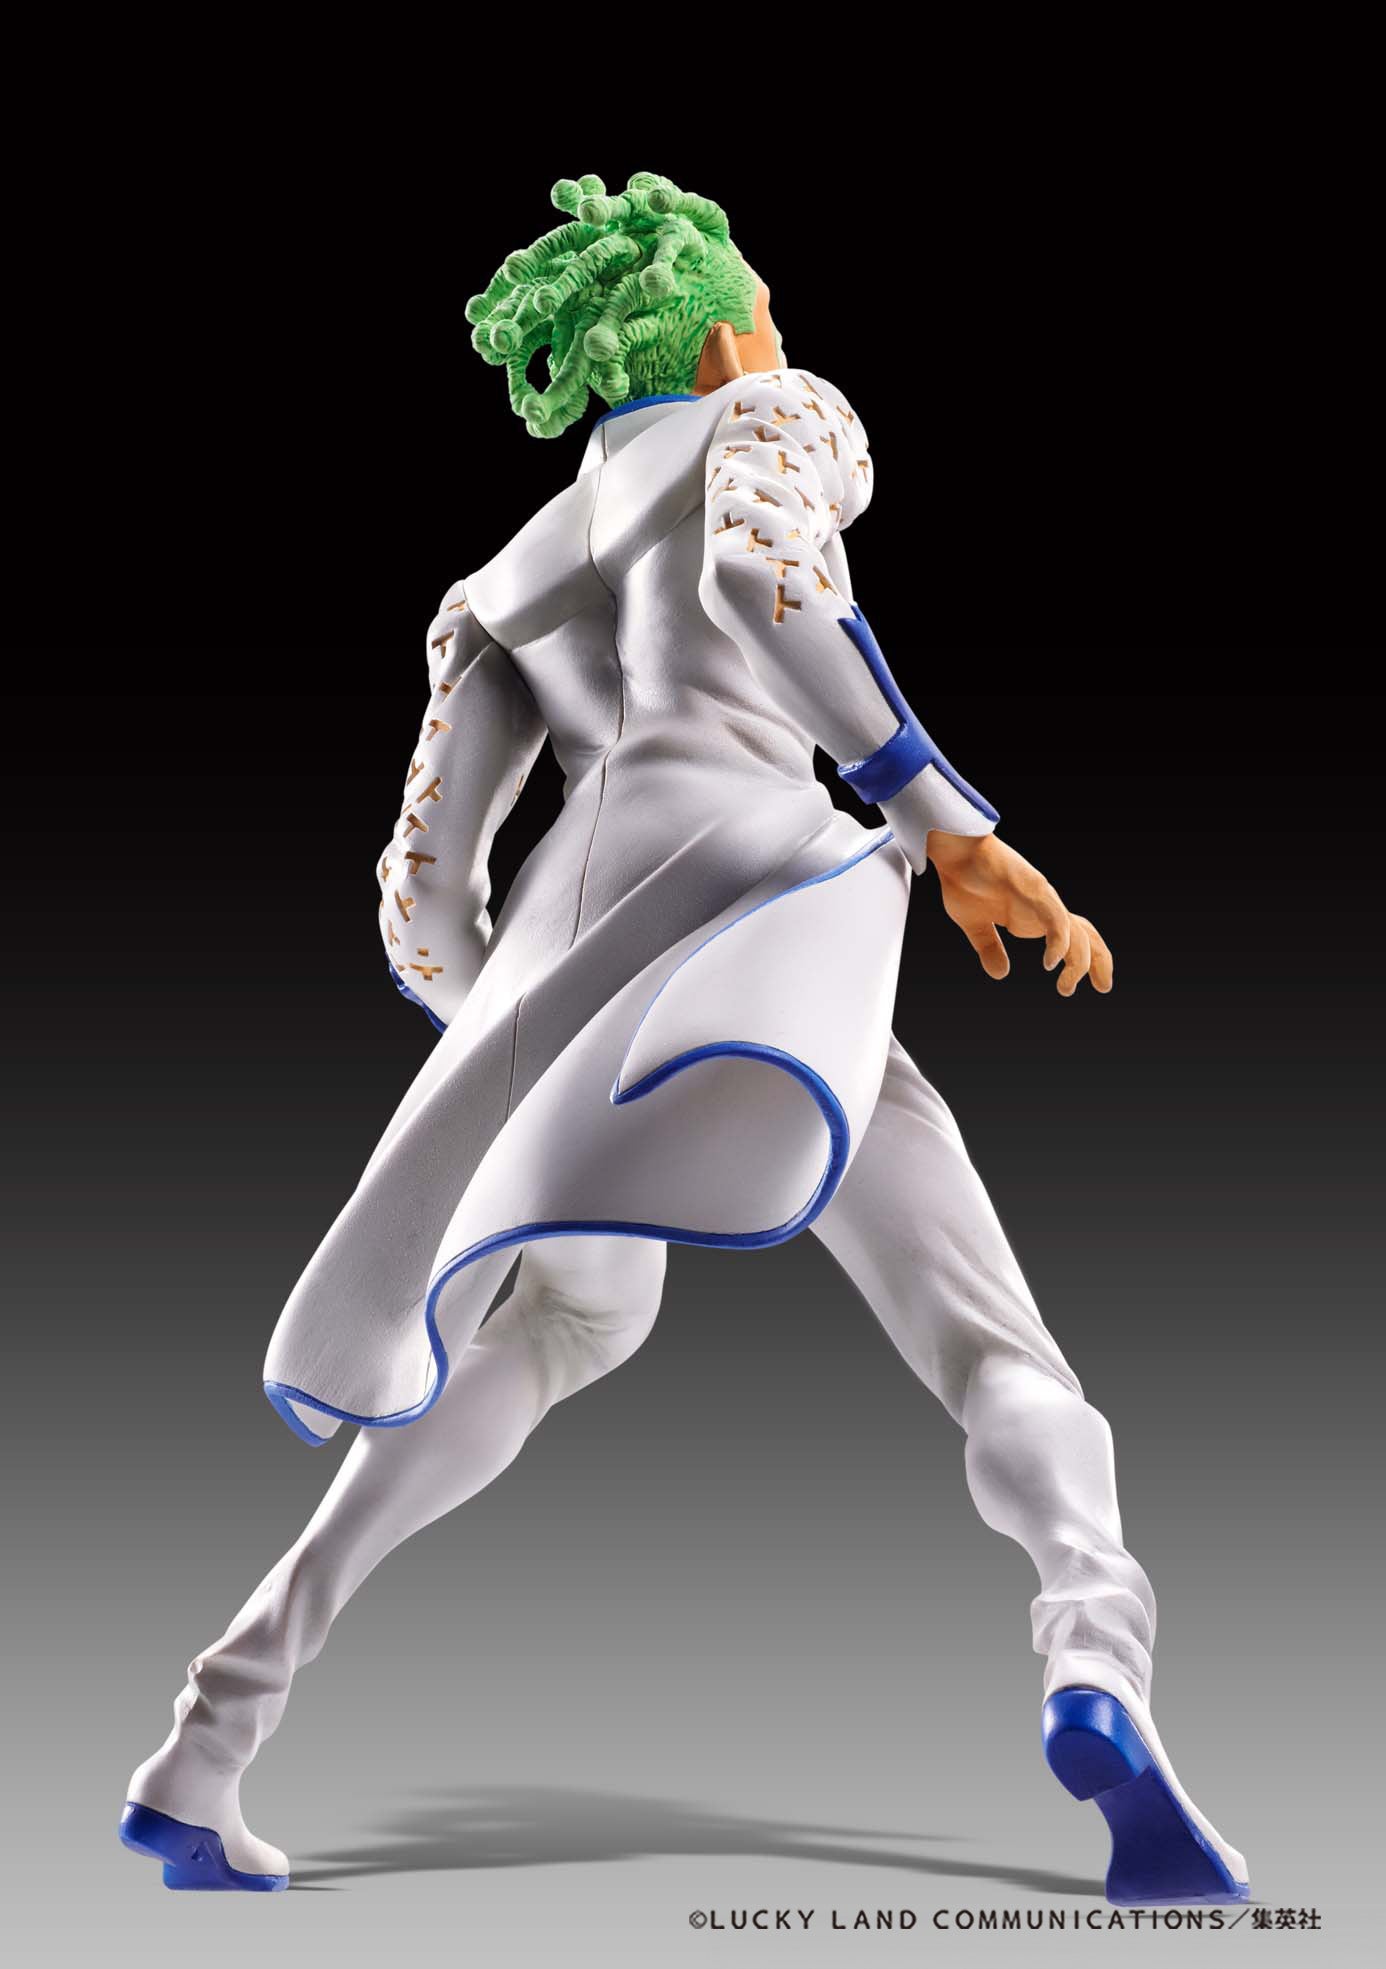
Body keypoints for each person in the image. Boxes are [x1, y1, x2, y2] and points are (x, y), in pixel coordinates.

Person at [120, 171, 1248, 1906]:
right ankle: (1092, 1649)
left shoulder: (493, 587)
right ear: (725, 335)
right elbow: (758, 569)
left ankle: (206, 1738)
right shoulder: (776, 410)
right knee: (985, 1339)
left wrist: (532, 1050)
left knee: (552, 1323)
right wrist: (942, 818)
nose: (777, 341)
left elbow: (419, 895)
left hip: (566, 965)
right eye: (768, 314)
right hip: (761, 913)